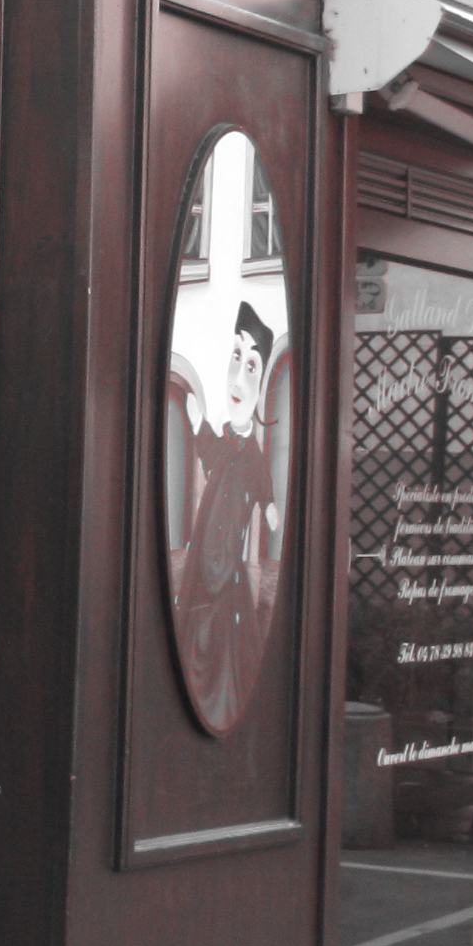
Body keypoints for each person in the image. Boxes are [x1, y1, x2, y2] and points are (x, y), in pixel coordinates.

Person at [175, 300, 282, 734]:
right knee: (193, 624)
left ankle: (219, 703)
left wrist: (270, 506)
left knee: (226, 638)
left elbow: (265, 491)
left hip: (229, 570)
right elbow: (208, 453)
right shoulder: (223, 441)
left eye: (251, 366)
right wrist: (199, 424)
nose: (238, 378)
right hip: (204, 555)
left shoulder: (253, 455)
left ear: (261, 382)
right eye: (236, 358)